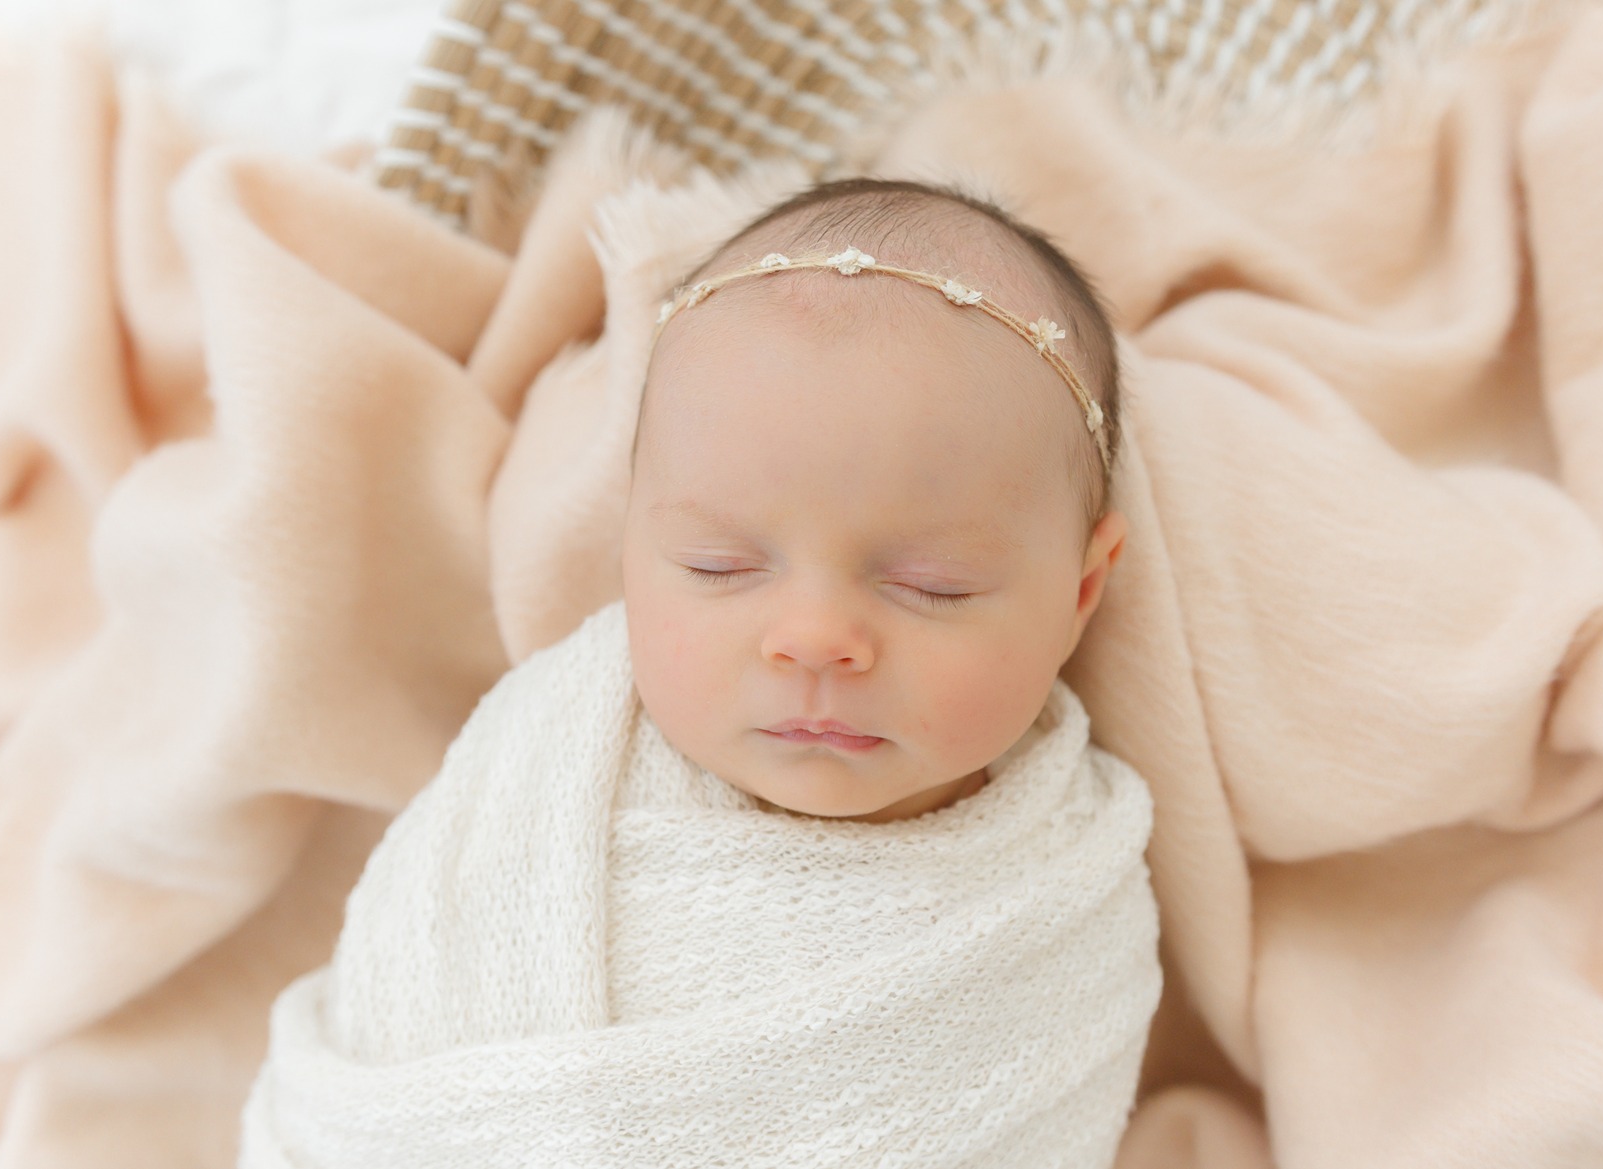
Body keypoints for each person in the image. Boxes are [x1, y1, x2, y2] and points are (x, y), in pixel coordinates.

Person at [240, 178, 1161, 1169]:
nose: (812, 639)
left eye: (932, 585)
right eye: (719, 568)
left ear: (1079, 589)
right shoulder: (536, 780)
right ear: (632, 544)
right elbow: (393, 1039)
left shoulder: (1065, 894)